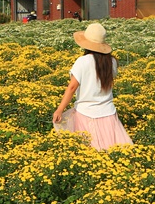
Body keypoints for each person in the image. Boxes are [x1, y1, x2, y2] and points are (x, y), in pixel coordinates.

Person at [52, 22, 133, 150]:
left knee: (87, 151)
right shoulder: (111, 62)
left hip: (86, 113)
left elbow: (72, 87)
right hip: (108, 113)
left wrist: (60, 109)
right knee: (113, 152)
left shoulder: (82, 61)